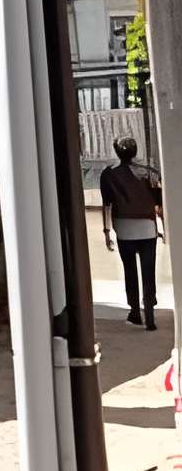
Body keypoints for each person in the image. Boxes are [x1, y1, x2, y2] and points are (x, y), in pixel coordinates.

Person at [99, 135, 164, 330]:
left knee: (130, 271)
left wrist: (106, 232)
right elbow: (159, 206)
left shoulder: (109, 175)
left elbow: (107, 206)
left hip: (124, 229)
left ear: (117, 153)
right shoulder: (149, 174)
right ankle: (150, 314)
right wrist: (164, 229)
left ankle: (135, 311)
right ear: (135, 152)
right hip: (147, 228)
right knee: (148, 271)